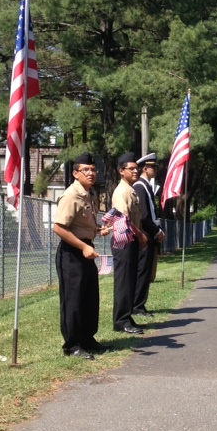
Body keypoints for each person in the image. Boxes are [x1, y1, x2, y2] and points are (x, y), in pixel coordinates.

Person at [53, 152, 109, 360]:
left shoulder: (90, 194)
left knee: (89, 297)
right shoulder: (71, 195)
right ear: (76, 173)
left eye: (94, 170)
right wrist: (83, 247)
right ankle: (72, 344)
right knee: (73, 300)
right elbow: (59, 228)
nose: (91, 173)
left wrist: (97, 230)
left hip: (86, 249)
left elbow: (83, 224)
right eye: (86, 170)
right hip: (72, 253)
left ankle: (87, 338)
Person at [112, 152, 149, 334]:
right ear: (121, 171)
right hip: (123, 241)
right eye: (131, 168)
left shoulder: (131, 190)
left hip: (131, 240)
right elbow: (123, 220)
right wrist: (141, 235)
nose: (135, 171)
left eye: (137, 168)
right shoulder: (121, 191)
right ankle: (121, 320)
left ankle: (127, 316)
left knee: (130, 281)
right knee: (124, 282)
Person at [132, 153, 166, 316]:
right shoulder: (140, 186)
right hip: (145, 234)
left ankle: (140, 304)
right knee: (143, 271)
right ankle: (137, 305)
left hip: (150, 233)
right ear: (145, 169)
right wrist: (157, 231)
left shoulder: (147, 186)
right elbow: (145, 215)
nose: (156, 169)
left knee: (147, 271)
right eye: (153, 167)